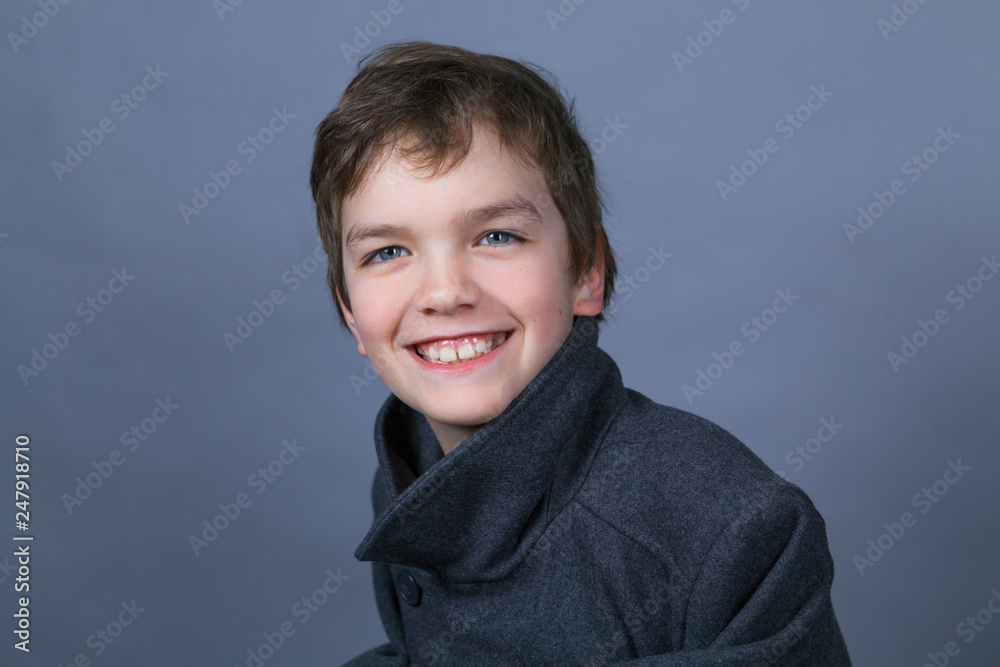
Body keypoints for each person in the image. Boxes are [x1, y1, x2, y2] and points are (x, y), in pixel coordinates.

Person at [310, 40, 851, 666]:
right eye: (387, 252)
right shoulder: (409, 477)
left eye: (496, 236)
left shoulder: (730, 522)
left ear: (586, 271)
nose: (445, 292)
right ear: (350, 310)